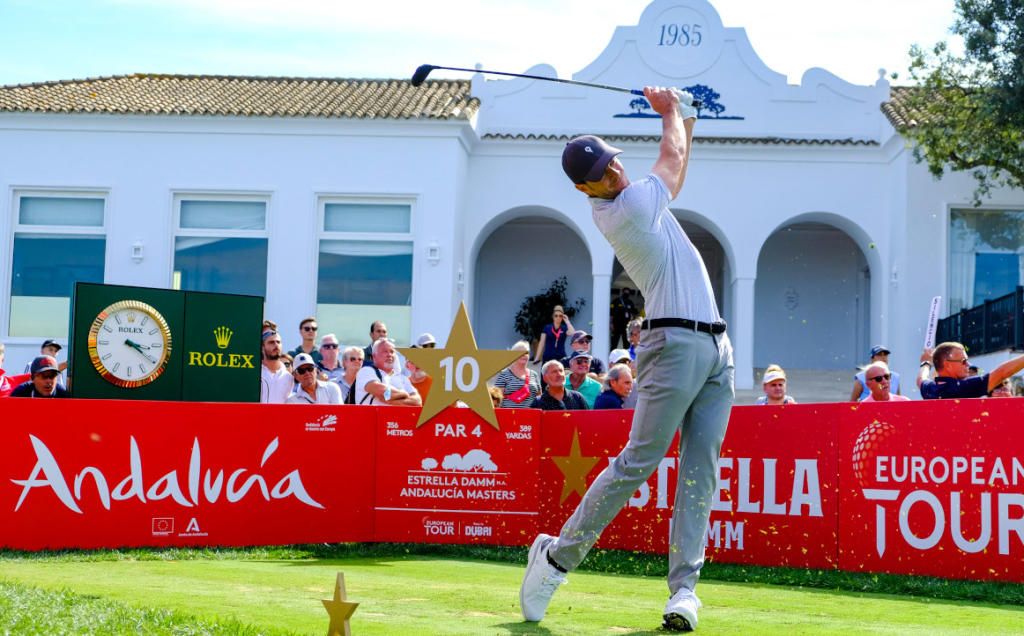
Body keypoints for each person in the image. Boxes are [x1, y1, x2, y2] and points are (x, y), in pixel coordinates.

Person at [520, 87, 733, 633]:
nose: (612, 171)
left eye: (612, 159)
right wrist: (668, 113)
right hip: (671, 346)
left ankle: (684, 592)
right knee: (639, 461)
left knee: (700, 473)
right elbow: (675, 160)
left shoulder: (641, 197)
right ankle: (558, 558)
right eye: (600, 170)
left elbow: (681, 155)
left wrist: (685, 116)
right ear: (584, 187)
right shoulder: (625, 208)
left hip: (716, 349)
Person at [918, 342, 1024, 399]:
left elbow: (920, 379)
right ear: (947, 364)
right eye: (963, 361)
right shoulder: (961, 387)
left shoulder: (930, 389)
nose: (968, 365)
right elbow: (1002, 372)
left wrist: (926, 363)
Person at [354, 338, 422, 406]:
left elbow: (417, 402)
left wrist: (394, 401)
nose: (389, 355)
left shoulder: (403, 378)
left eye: (392, 352)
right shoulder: (366, 371)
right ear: (374, 356)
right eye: (385, 351)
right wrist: (404, 393)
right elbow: (383, 394)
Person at [494, 341, 542, 408]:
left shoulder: (534, 375)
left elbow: (539, 398)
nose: (524, 355)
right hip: (510, 416)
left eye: (526, 353)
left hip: (531, 416)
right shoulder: (504, 374)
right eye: (520, 352)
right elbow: (496, 399)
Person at [260, 330, 293, 404]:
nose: (276, 345)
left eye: (278, 342)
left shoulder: (289, 377)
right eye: (271, 342)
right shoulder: (255, 373)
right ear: (262, 347)